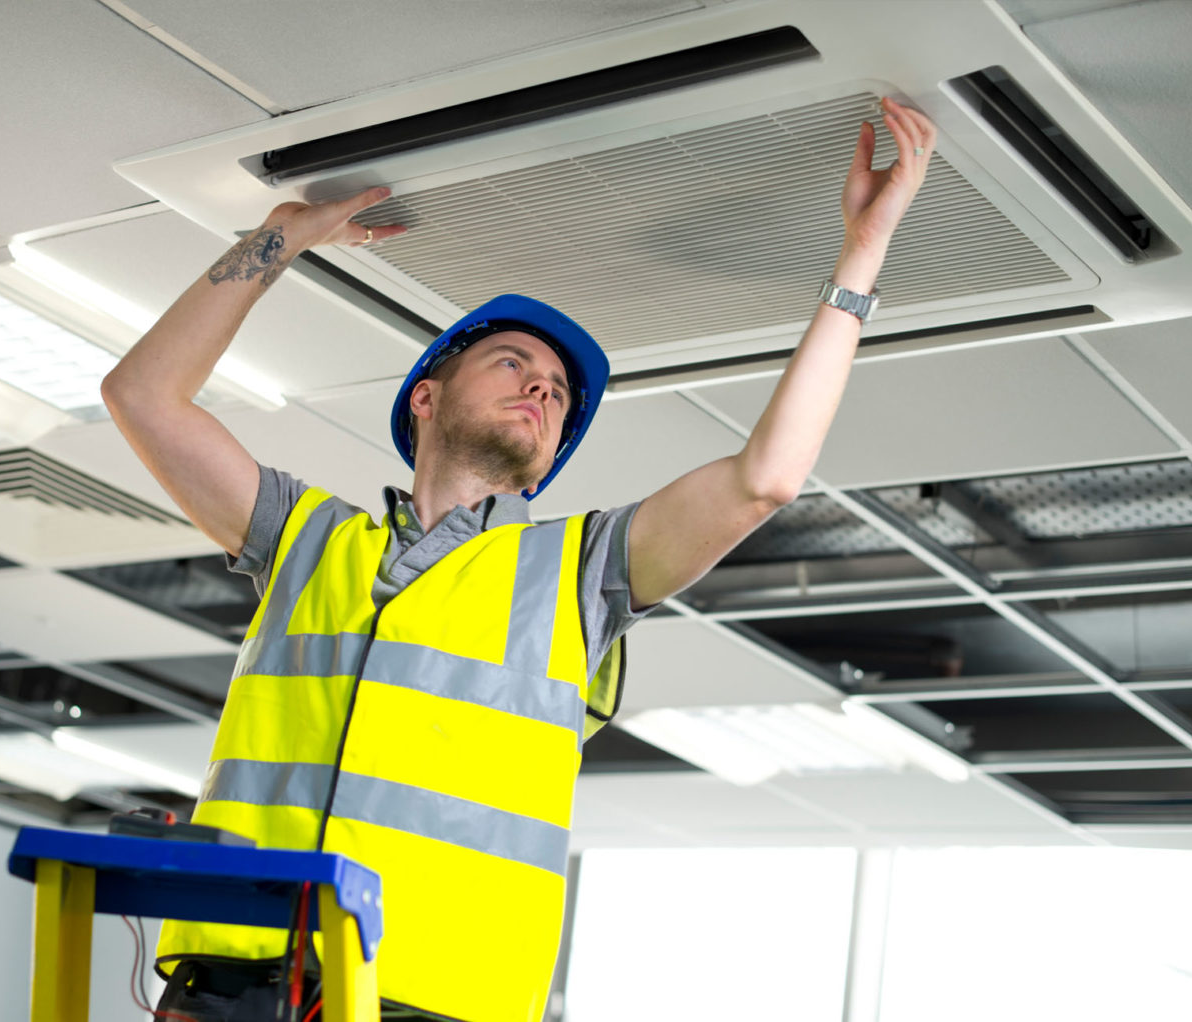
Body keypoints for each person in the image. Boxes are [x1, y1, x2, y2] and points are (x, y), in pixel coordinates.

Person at [102, 96, 937, 1022]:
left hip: (434, 1000)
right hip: (232, 987)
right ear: (426, 396)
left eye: (557, 396)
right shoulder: (304, 539)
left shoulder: (582, 572)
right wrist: (280, 238)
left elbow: (766, 478)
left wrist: (862, 255)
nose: (543, 385)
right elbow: (143, 395)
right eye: (512, 363)